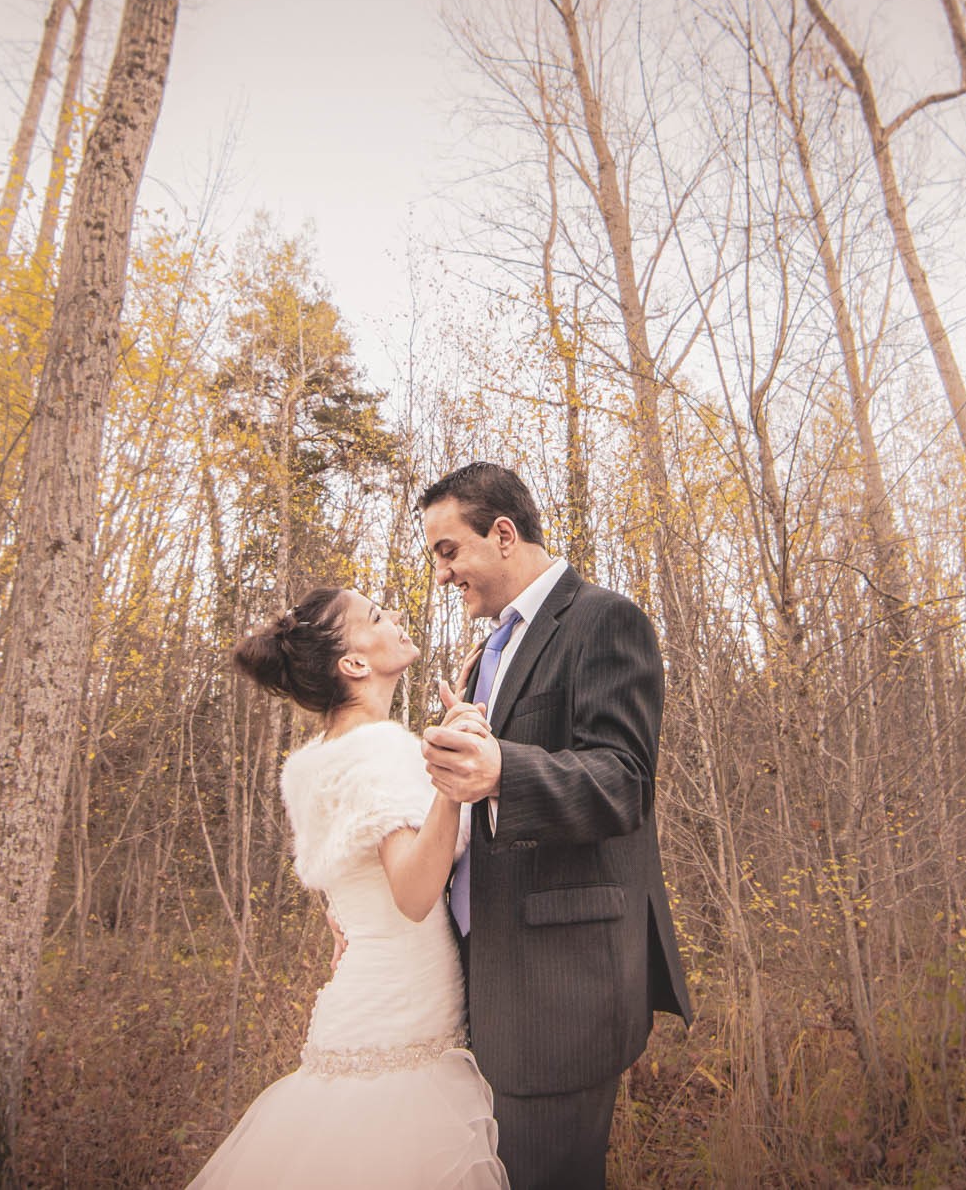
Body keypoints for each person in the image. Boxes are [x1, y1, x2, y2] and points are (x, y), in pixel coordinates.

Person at [417, 462, 693, 1190]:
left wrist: (503, 768)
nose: (442, 575)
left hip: (556, 997)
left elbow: (623, 780)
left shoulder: (605, 619)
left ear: (502, 534)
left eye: (448, 551)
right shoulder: (485, 653)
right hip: (474, 983)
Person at [189, 587, 507, 1189]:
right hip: (402, 1018)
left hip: (361, 999)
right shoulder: (381, 749)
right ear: (354, 663)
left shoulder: (313, 760)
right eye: (377, 617)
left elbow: (345, 875)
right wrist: (446, 771)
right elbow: (414, 895)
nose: (396, 619)